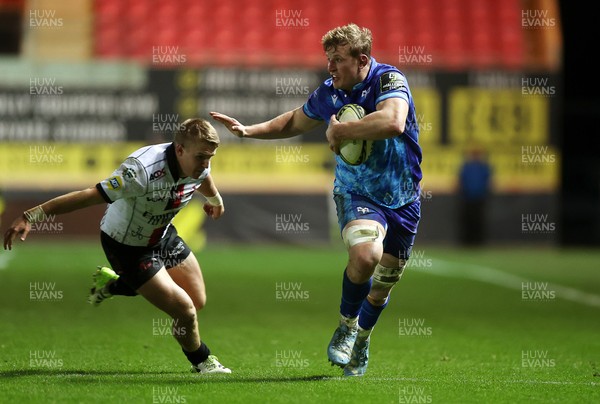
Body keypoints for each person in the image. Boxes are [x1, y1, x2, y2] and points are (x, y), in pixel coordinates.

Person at [210, 23, 422, 377]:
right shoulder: (330, 93)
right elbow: (294, 121)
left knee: (383, 288)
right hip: (357, 192)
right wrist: (249, 130)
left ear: (362, 60)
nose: (330, 67)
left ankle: (362, 340)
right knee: (365, 255)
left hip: (404, 197)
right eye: (329, 59)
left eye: (338, 60)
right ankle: (345, 326)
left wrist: (341, 130)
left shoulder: (388, 81)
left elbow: (393, 121)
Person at [2, 118, 232, 375]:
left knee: (197, 300)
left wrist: (216, 200)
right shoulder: (140, 170)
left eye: (210, 157)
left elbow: (204, 177)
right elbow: (90, 195)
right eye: (201, 157)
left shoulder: (197, 162)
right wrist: (31, 216)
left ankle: (113, 285)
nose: (205, 164)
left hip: (162, 235)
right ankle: (202, 362)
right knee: (185, 311)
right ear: (179, 150)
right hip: (127, 245)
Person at [458, 146, 492, 246]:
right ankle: (467, 241)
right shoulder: (467, 167)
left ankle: (479, 241)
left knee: (479, 220)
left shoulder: (483, 167)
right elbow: (461, 180)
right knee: (467, 220)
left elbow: (488, 181)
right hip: (467, 198)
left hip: (480, 198)